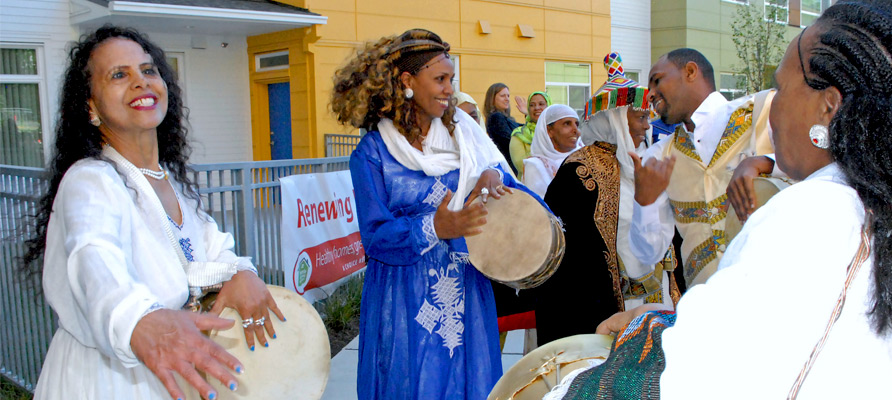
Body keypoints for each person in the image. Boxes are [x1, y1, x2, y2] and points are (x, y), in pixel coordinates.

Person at [554, 1, 892, 397]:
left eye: (782, 87)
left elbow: (692, 380)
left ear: (828, 107)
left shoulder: (821, 214)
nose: (774, 108)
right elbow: (806, 334)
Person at [23, 26, 283, 400]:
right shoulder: (90, 180)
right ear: (90, 106)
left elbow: (211, 248)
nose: (140, 82)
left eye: (148, 71)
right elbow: (93, 262)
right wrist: (138, 322)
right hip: (109, 381)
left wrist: (241, 271)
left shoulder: (169, 182)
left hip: (170, 372)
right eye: (119, 74)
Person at [331, 29, 540, 400]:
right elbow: (376, 236)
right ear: (407, 81)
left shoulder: (465, 137)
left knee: (469, 383)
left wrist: (492, 176)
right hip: (403, 299)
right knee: (411, 384)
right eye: (440, 79)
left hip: (466, 292)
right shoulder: (373, 153)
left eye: (451, 80)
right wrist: (436, 226)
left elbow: (503, 184)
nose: (449, 89)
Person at [531, 52, 677, 347]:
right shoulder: (578, 173)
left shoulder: (642, 164)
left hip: (655, 302)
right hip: (606, 317)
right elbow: (568, 262)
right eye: (640, 117)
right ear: (616, 119)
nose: (647, 126)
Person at [629, 48, 776, 288]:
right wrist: (643, 204)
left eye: (657, 81)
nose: (651, 94)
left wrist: (764, 162)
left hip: (773, 293)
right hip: (706, 309)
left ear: (690, 71)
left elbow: (819, 166)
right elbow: (649, 254)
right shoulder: (659, 155)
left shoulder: (762, 112)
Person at [521, 104, 583, 198]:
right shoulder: (536, 166)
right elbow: (541, 207)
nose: (575, 130)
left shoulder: (585, 159)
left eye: (577, 124)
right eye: (567, 124)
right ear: (549, 131)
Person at [508, 91, 551, 179]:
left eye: (541, 104)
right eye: (532, 105)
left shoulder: (557, 131)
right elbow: (520, 164)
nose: (537, 107)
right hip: (529, 186)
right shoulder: (519, 134)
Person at [483, 83, 524, 173]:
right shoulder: (496, 117)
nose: (507, 99)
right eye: (502, 96)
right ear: (492, 99)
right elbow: (512, 140)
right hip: (510, 166)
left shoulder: (506, 118)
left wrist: (527, 114)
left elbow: (523, 129)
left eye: (508, 96)